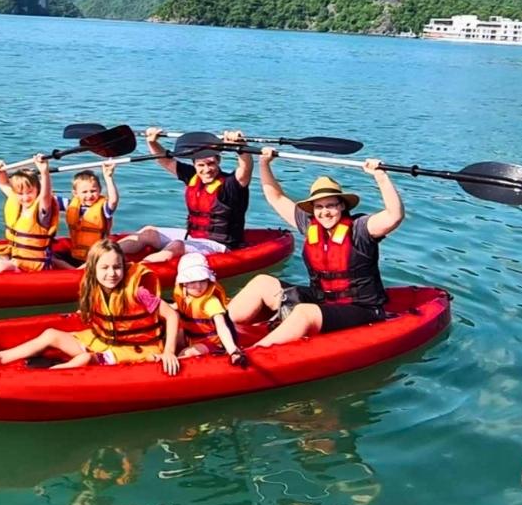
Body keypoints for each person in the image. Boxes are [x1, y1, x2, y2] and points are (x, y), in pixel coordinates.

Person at [227, 149, 404, 346]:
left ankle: (252, 355)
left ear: (342, 206)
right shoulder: (310, 225)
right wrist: (264, 163)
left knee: (304, 313)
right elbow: (275, 197)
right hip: (323, 302)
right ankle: (214, 328)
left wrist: (381, 177)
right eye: (319, 207)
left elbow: (394, 216)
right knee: (262, 282)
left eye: (331, 205)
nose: (325, 212)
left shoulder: (360, 229)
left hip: (362, 309)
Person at [0, 239, 183, 375]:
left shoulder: (137, 291)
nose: (111, 273)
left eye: (117, 267)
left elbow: (171, 315)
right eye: (104, 267)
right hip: (103, 340)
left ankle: (44, 377)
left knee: (85, 360)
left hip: (134, 350)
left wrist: (169, 352)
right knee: (51, 335)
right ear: (93, 268)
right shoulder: (94, 286)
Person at [118, 127, 252, 263]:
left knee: (177, 245)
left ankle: (137, 270)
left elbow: (245, 168)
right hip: (192, 237)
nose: (206, 170)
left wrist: (240, 146)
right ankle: (105, 255)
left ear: (218, 161)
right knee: (148, 232)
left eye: (211, 164)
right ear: (194, 165)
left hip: (221, 246)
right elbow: (165, 160)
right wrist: (152, 142)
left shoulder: (230, 185)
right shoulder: (192, 176)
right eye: (201, 165)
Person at [172, 253, 247, 366]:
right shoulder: (183, 298)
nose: (198, 286)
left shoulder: (210, 302)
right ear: (183, 284)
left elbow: (222, 327)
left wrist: (233, 351)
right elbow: (170, 310)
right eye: (192, 281)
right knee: (172, 339)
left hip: (211, 344)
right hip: (190, 339)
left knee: (187, 353)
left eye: (202, 280)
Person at [54, 162, 119, 268]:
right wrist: (42, 174)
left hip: (97, 255)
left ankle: (76, 272)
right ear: (75, 193)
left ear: (100, 190)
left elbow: (113, 201)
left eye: (93, 191)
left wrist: (108, 177)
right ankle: (75, 270)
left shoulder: (103, 208)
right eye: (84, 192)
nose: (89, 195)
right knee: (52, 257)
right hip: (76, 254)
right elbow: (47, 199)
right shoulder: (71, 204)